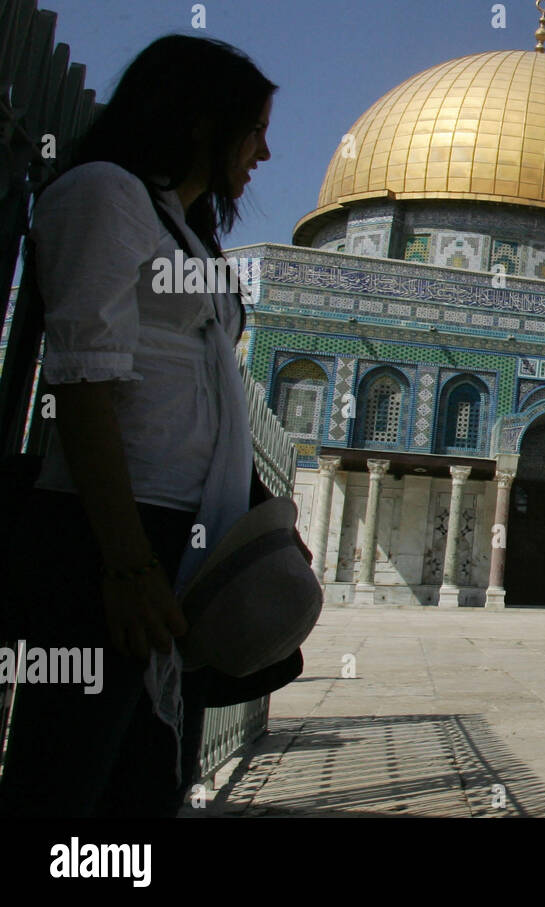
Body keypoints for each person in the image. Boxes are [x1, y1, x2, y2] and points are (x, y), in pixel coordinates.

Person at [0, 36, 276, 817]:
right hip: (107, 533)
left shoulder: (181, 230)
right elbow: (83, 380)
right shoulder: (103, 194)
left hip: (174, 541)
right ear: (200, 121)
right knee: (66, 775)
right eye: (253, 127)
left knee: (145, 776)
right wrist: (124, 563)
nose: (265, 150)